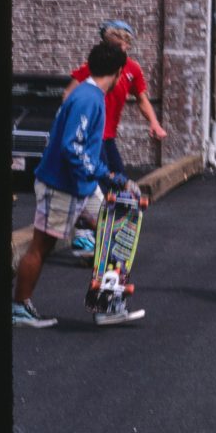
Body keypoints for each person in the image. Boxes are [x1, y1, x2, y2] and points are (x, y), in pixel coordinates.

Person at [13, 41, 132, 327]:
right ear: (117, 72)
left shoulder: (90, 95)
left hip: (82, 184)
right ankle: (19, 308)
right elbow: (72, 147)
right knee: (42, 245)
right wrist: (107, 175)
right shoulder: (88, 99)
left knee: (112, 235)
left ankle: (106, 303)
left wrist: (102, 176)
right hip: (61, 184)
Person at [63, 20, 167, 257]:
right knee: (99, 184)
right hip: (93, 137)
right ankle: (85, 235)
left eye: (121, 47)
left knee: (120, 184)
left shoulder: (132, 70)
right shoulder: (96, 66)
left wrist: (154, 122)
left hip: (108, 137)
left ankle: (105, 233)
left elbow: (141, 99)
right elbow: (68, 94)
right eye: (113, 46)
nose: (118, 52)